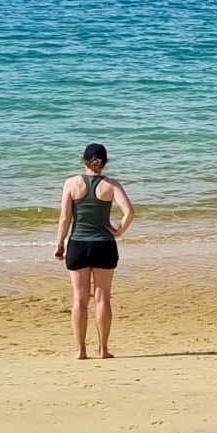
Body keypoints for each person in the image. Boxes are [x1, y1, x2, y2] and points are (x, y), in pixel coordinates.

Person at [53, 142, 135, 360]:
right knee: (103, 299)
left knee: (79, 299)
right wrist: (118, 232)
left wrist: (59, 243)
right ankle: (103, 349)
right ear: (105, 162)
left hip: (78, 244)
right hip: (104, 245)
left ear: (84, 160)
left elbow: (65, 218)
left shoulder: (71, 183)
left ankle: (80, 350)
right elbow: (130, 213)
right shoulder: (111, 185)